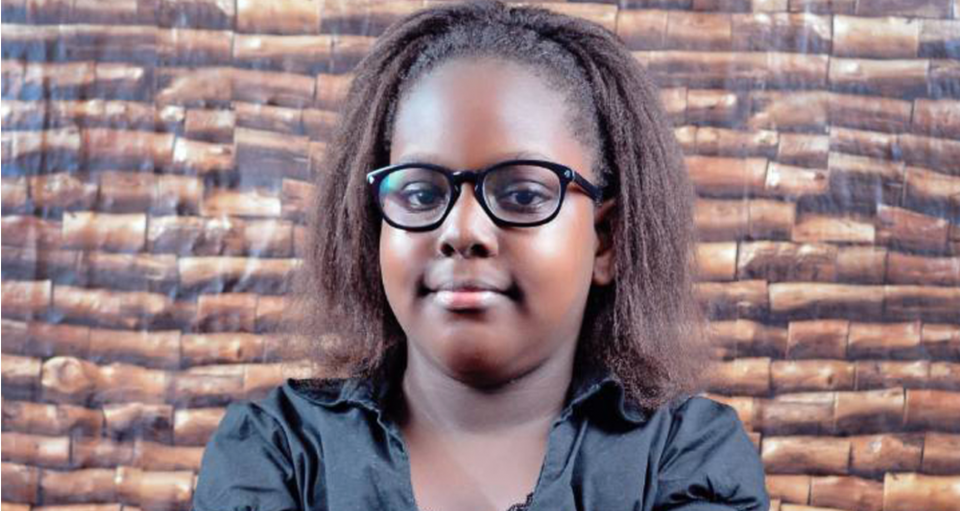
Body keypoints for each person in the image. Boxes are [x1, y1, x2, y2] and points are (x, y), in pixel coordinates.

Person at [192, 2, 770, 510]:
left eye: (522, 195)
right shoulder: (276, 453)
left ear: (605, 239)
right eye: (421, 194)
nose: (462, 230)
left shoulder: (686, 459)